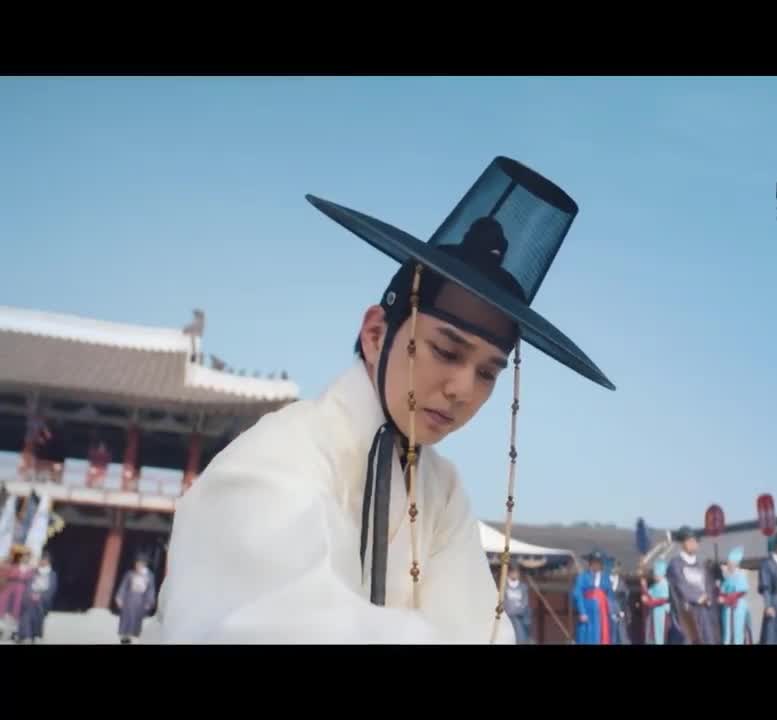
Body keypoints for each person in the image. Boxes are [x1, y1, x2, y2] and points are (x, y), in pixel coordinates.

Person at [152, 157, 614, 644]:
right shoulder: (275, 458)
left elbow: (479, 630)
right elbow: (269, 624)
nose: (462, 389)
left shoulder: (443, 490)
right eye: (446, 351)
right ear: (375, 333)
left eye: (487, 373)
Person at [666, 526, 717, 644]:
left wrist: (708, 597)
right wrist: (698, 597)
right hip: (686, 611)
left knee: (708, 639)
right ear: (683, 543)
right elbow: (680, 585)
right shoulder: (675, 564)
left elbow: (708, 585)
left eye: (696, 541)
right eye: (690, 541)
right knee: (689, 639)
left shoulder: (701, 565)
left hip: (704, 610)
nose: (694, 544)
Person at [572, 551, 612, 645]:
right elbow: (578, 594)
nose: (597, 565)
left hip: (602, 611)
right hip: (588, 609)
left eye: (599, 562)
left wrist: (612, 611)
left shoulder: (605, 578)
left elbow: (610, 596)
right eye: (595, 562)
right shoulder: (583, 576)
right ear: (590, 563)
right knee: (587, 634)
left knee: (603, 633)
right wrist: (582, 612)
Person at [115, 554, 156, 644]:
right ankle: (125, 638)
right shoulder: (130, 574)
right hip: (128, 599)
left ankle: (133, 637)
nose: (138, 565)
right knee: (126, 619)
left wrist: (149, 601)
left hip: (140, 601)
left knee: (136, 619)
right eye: (137, 563)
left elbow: (151, 590)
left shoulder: (149, 576)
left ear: (145, 564)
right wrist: (119, 597)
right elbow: (124, 586)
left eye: (140, 563)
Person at [17, 552, 56, 643]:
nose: (42, 562)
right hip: (31, 596)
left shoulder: (52, 574)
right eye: (41, 560)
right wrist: (31, 594)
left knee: (38, 617)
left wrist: (41, 596)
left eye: (44, 560)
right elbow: (28, 584)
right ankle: (27, 635)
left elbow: (52, 588)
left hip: (43, 599)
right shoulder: (34, 572)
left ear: (48, 562)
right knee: (27, 615)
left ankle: (37, 635)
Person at [718, 546, 752, 644]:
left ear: (736, 563)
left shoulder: (741, 575)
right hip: (727, 609)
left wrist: (726, 599)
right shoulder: (726, 577)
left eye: (731, 562)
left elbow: (741, 592)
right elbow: (722, 591)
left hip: (738, 607)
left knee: (738, 632)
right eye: (728, 562)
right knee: (727, 632)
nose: (729, 564)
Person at [640, 559, 672, 644]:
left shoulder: (665, 584)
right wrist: (644, 586)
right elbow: (648, 595)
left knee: (661, 637)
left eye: (655, 574)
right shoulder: (656, 584)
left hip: (662, 614)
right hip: (654, 613)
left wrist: (648, 602)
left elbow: (662, 600)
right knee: (653, 636)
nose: (654, 576)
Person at [502, 560, 533, 644]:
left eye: (517, 572)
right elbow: (503, 601)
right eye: (513, 572)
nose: (515, 574)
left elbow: (525, 603)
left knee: (521, 627)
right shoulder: (504, 586)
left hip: (519, 616)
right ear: (509, 572)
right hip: (507, 615)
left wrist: (517, 611)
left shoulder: (523, 587)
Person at [607, 556, 631, 645]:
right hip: (609, 611)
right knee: (611, 634)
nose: (615, 569)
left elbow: (626, 595)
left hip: (621, 610)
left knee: (622, 633)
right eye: (613, 567)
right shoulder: (605, 581)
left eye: (617, 567)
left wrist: (622, 610)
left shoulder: (622, 581)